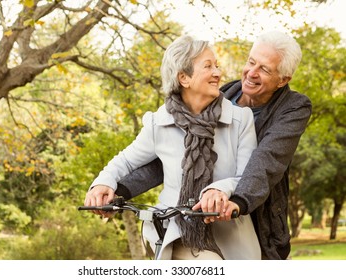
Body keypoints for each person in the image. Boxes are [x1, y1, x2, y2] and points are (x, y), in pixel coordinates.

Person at [114, 30, 313, 260]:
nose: (251, 73)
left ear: (283, 80)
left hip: (259, 218)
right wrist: (119, 189)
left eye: (264, 69)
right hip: (210, 221)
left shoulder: (293, 108)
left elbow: (267, 160)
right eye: (251, 62)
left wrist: (236, 201)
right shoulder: (219, 96)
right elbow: (177, 157)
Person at [84, 35, 261, 260]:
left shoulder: (240, 119)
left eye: (216, 65)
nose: (218, 73)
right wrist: (101, 183)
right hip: (175, 230)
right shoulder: (160, 122)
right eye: (208, 66)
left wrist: (219, 190)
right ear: (184, 78)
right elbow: (126, 161)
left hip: (230, 232)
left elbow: (247, 176)